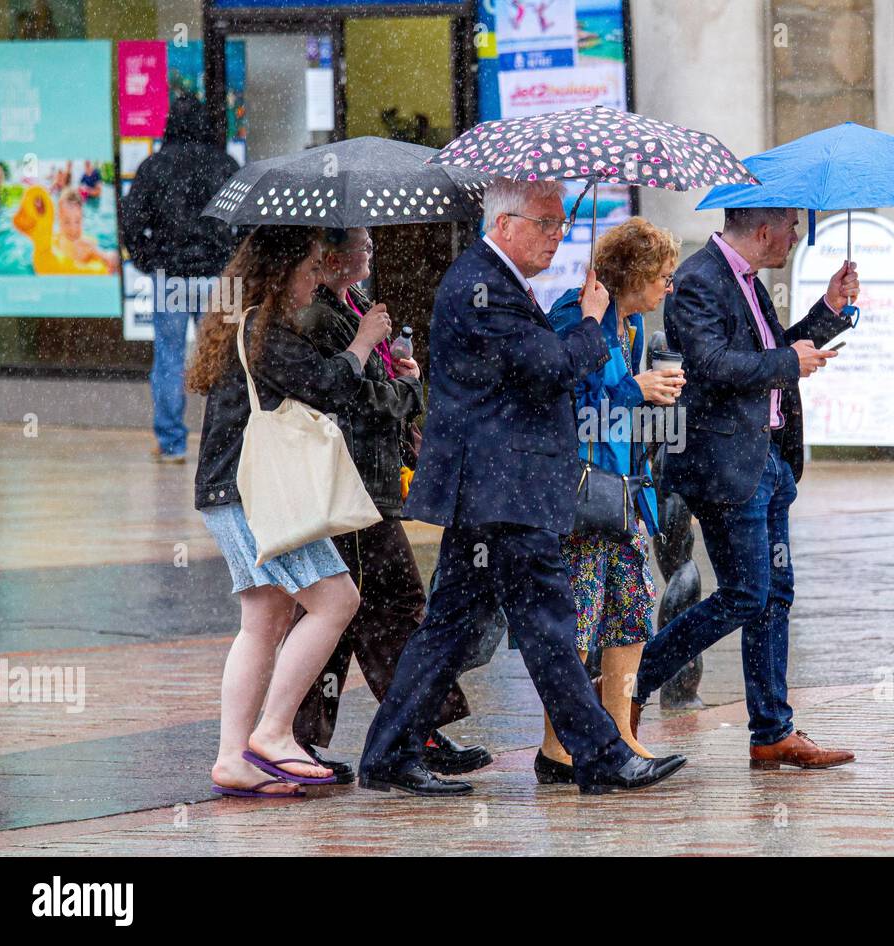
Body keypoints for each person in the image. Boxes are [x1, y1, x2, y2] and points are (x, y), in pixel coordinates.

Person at [358, 179, 687, 796]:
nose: (557, 235)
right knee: (546, 623)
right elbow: (550, 368)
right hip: (501, 489)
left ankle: (389, 753)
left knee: (456, 626)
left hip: (498, 488)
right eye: (546, 223)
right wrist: (591, 323)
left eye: (562, 224)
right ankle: (599, 757)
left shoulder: (499, 281)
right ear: (505, 225)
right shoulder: (482, 286)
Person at [631, 206, 861, 770]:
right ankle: (630, 684)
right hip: (725, 468)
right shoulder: (698, 279)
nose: (796, 238)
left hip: (769, 465)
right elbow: (711, 366)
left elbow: (769, 352)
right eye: (792, 229)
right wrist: (788, 360)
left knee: (773, 597)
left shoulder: (746, 281)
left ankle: (771, 732)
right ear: (764, 232)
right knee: (744, 594)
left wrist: (828, 312)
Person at [189, 224, 389, 797]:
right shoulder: (264, 329)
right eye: (307, 270)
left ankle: (232, 756)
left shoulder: (244, 323)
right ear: (280, 276)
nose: (314, 279)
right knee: (336, 600)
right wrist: (363, 343)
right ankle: (274, 732)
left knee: (265, 621)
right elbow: (329, 386)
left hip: (227, 495)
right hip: (258, 497)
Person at [290, 227, 491, 780]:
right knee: (368, 611)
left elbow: (378, 387)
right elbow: (347, 395)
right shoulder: (320, 317)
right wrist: (401, 388)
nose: (371, 255)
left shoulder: (352, 305)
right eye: (363, 246)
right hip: (346, 487)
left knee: (378, 612)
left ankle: (413, 727)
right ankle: (301, 737)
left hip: (373, 485)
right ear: (333, 255)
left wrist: (406, 375)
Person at [535, 217, 685, 784]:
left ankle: (618, 734)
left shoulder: (634, 325)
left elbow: (617, 405)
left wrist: (652, 400)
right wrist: (634, 390)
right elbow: (563, 399)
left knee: (633, 610)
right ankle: (559, 747)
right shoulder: (579, 317)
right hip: (578, 493)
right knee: (577, 621)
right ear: (636, 274)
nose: (668, 286)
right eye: (663, 276)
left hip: (621, 490)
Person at [121, 91, 240, 464]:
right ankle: (228, 443)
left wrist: (148, 260)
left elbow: (131, 224)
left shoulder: (153, 167)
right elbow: (245, 222)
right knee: (227, 359)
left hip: (170, 277)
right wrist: (234, 261)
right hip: (220, 279)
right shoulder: (225, 165)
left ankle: (172, 442)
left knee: (170, 359)